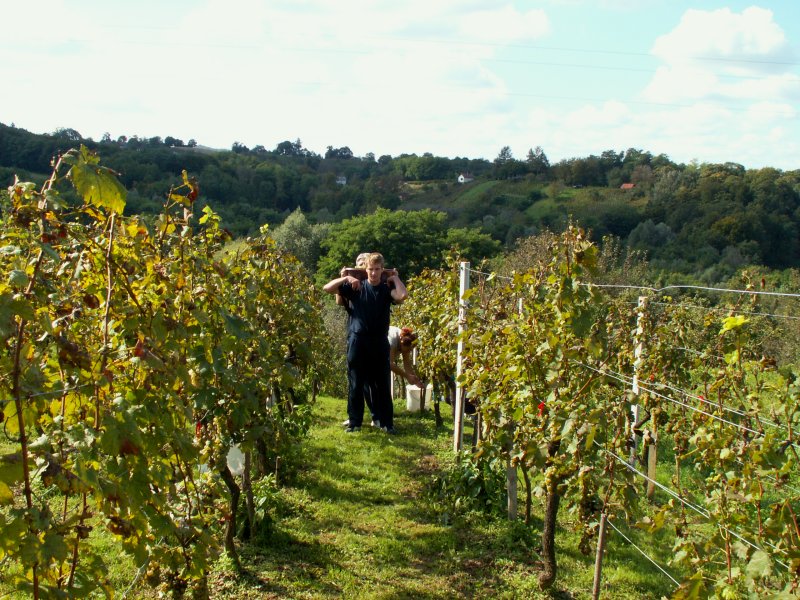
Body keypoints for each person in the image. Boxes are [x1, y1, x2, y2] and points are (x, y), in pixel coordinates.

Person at [323, 253, 408, 434]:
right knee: (356, 382)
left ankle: (387, 423)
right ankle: (355, 423)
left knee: (382, 384)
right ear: (365, 270)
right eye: (370, 269)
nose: (374, 273)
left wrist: (395, 277)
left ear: (381, 270)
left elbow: (402, 295)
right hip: (358, 341)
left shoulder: (386, 290)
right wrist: (345, 277)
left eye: (377, 269)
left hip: (379, 342)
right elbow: (327, 289)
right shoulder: (356, 287)